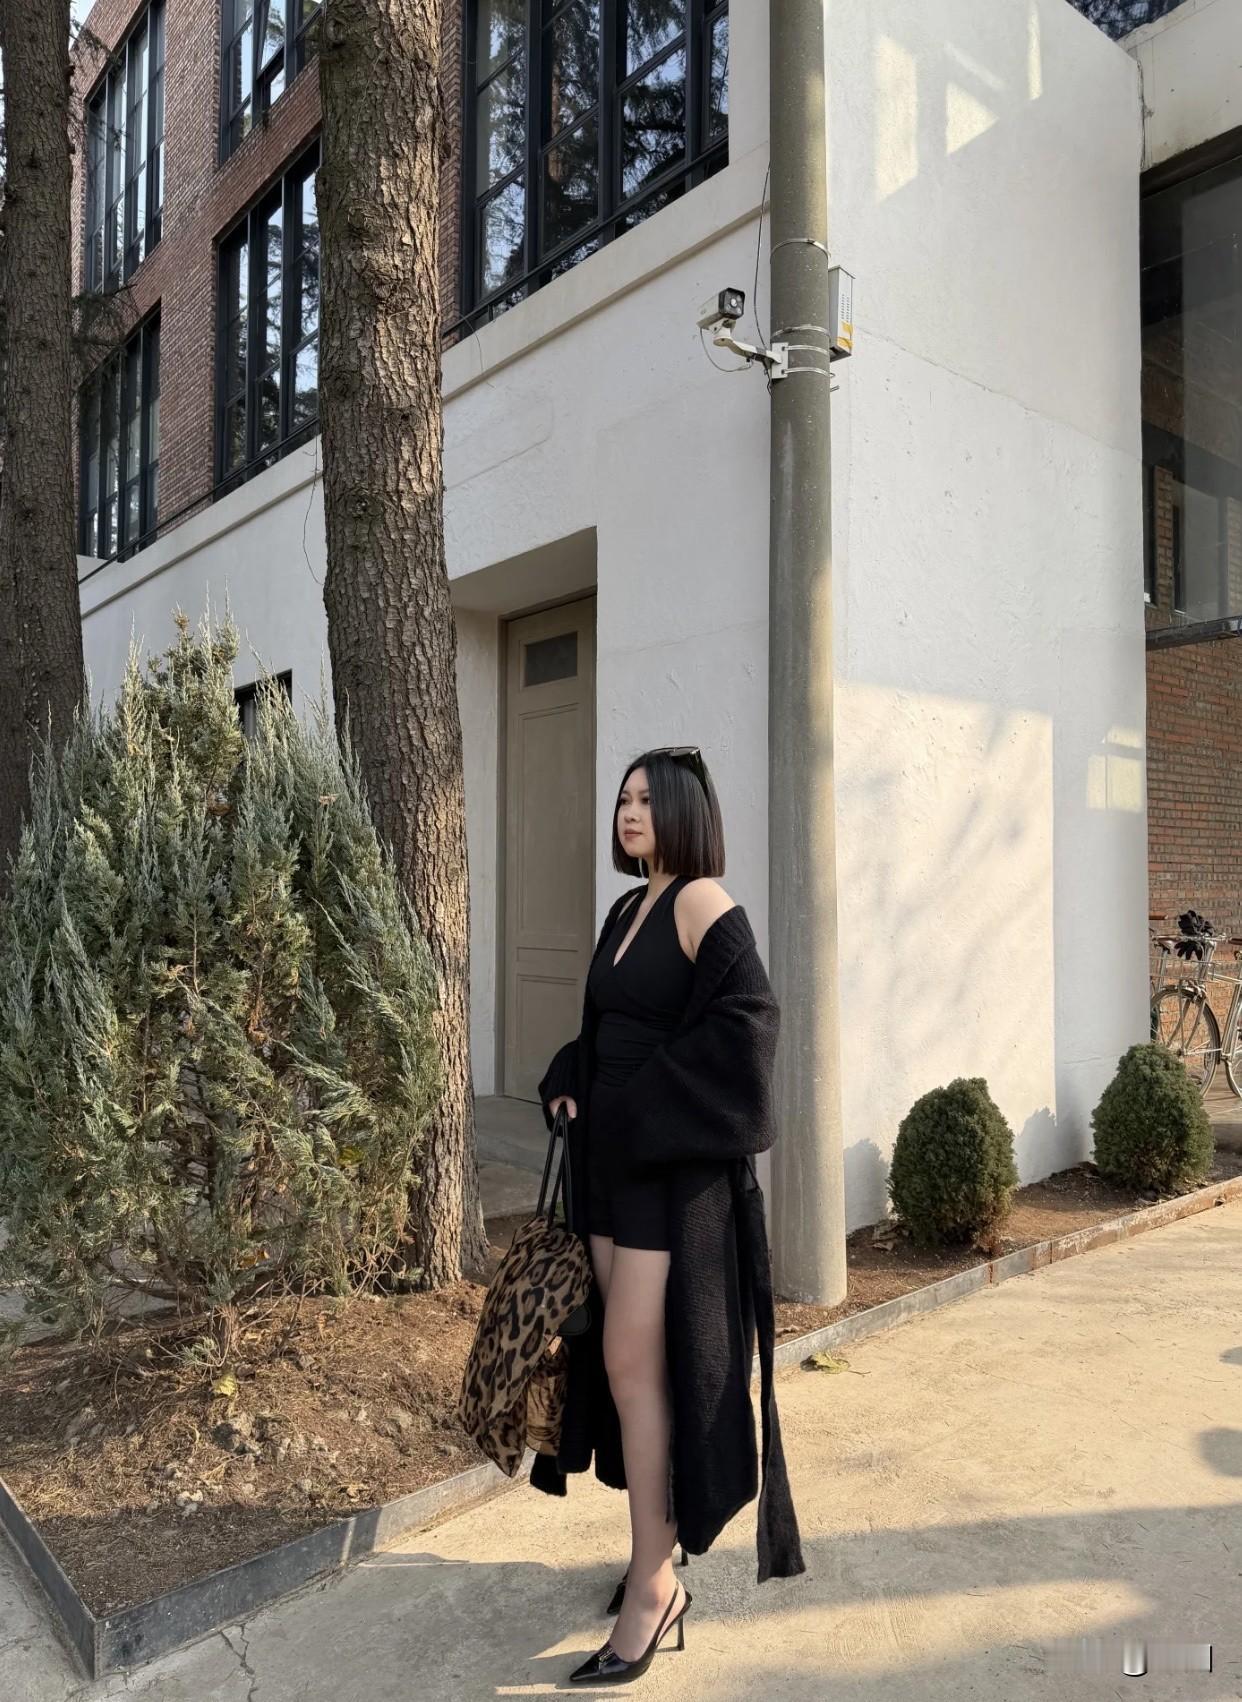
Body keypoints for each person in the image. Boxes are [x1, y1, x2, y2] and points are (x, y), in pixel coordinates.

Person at [539, 745, 805, 1686]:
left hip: (660, 1176)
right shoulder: (626, 909)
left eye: (648, 799)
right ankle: (651, 1553)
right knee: (628, 1374)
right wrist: (571, 1078)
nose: (630, 811)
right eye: (624, 798)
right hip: (607, 1168)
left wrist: (642, 1105)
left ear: (686, 809)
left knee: (629, 1362)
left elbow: (751, 1027)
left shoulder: (700, 900)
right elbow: (608, 1029)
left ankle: (656, 1584)